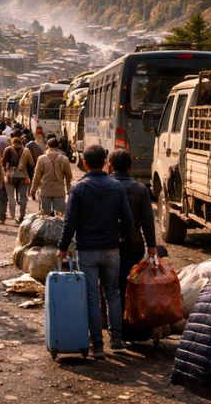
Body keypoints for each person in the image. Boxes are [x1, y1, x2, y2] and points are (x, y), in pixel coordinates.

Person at [57, 146, 133, 357]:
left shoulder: (79, 188)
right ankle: (116, 341)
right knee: (113, 295)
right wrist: (121, 237)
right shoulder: (117, 187)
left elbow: (70, 222)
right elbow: (128, 220)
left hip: (87, 250)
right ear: (105, 162)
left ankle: (97, 344)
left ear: (85, 163)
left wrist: (62, 247)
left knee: (91, 297)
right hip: (111, 249)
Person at [109, 149, 157, 319]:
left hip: (108, 243)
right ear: (130, 167)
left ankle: (112, 321)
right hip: (133, 244)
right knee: (131, 283)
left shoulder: (106, 186)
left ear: (110, 166)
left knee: (110, 285)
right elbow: (148, 221)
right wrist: (152, 246)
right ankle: (130, 319)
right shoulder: (140, 189)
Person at [29, 137, 73, 216]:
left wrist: (33, 191)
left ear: (47, 146)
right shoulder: (64, 159)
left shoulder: (41, 159)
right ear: (58, 146)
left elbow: (37, 177)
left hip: (45, 191)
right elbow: (68, 177)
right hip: (59, 191)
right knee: (59, 216)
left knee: (45, 216)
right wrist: (69, 191)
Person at [3, 135, 30, 223]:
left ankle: (13, 216)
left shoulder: (8, 149)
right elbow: (31, 164)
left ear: (12, 142)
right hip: (22, 176)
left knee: (11, 197)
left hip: (10, 176)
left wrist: (5, 172)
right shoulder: (26, 150)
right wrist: (28, 176)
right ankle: (22, 215)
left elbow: (3, 163)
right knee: (23, 197)